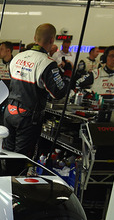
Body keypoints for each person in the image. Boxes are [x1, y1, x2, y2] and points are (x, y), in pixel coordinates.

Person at [4, 23, 69, 158]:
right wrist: (66, 80)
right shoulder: (47, 63)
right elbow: (58, 93)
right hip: (28, 117)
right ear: (52, 40)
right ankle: (15, 177)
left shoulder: (17, 57)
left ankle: (5, 176)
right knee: (22, 157)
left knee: (7, 153)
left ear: (35, 37)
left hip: (9, 111)